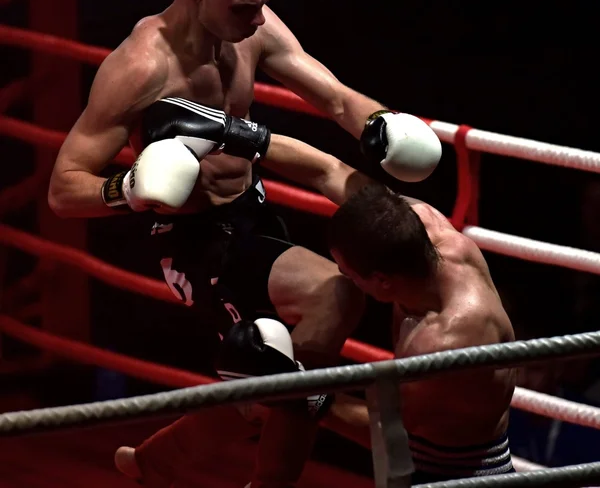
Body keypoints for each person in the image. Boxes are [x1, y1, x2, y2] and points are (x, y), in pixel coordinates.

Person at [47, 0, 441, 488]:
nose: (258, 19)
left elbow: (333, 97)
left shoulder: (254, 24)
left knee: (284, 368)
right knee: (327, 312)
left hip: (253, 215)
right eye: (243, 8)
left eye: (263, 3)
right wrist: (129, 187)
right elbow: (64, 187)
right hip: (190, 239)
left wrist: (379, 124)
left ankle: (161, 461)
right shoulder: (140, 67)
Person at [109, 112, 515, 485]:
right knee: (262, 388)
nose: (342, 276)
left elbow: (388, 430)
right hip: (413, 447)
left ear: (383, 280)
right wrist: (235, 134)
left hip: (450, 474)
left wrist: (301, 390)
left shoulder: (448, 342)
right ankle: (156, 462)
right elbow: (325, 170)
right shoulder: (419, 226)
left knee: (276, 387)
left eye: (351, 272)